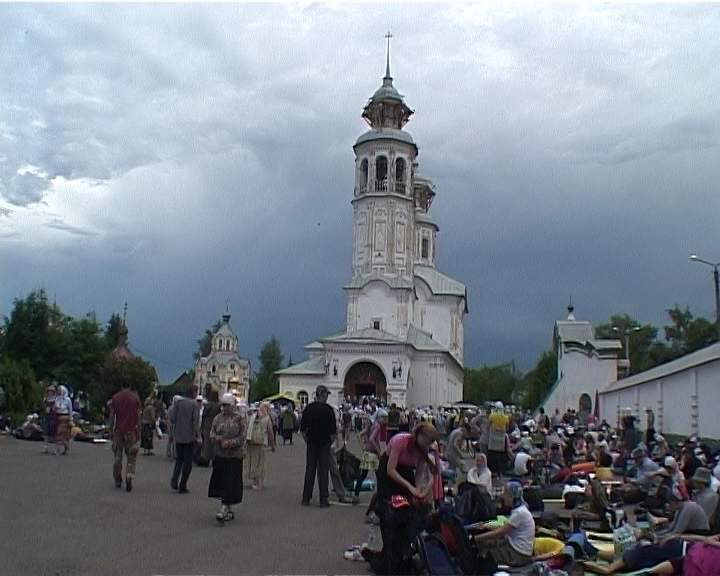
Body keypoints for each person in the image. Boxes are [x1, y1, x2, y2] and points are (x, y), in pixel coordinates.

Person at [362, 422, 440, 575]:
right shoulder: (400, 441)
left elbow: (418, 473)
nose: (428, 445)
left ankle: (396, 552)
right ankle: (389, 555)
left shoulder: (423, 450)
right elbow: (391, 470)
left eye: (431, 442)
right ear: (418, 435)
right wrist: (410, 487)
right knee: (390, 510)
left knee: (406, 511)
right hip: (388, 472)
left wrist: (417, 490)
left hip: (405, 472)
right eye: (427, 440)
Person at [473, 481, 535, 568]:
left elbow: (500, 532)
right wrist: (485, 525)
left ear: (512, 496)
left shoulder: (519, 513)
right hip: (517, 549)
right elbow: (505, 528)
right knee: (488, 542)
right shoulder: (520, 510)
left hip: (518, 555)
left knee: (486, 552)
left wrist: (475, 538)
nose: (503, 496)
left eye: (505, 493)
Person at [208, 393, 246, 523]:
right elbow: (212, 433)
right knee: (223, 483)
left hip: (234, 456)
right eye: (223, 405)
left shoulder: (239, 418)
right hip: (220, 455)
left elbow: (242, 437)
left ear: (232, 406)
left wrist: (230, 443)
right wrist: (219, 440)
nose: (224, 408)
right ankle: (228, 509)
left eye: (227, 405)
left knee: (231, 483)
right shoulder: (217, 418)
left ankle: (223, 509)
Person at [300, 385, 337, 507]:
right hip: (324, 444)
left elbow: (303, 430)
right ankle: (323, 499)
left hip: (311, 443)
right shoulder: (329, 410)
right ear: (323, 394)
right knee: (323, 471)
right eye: (326, 394)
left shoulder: (308, 408)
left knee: (310, 470)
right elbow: (333, 432)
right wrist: (329, 442)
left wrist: (308, 441)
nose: (327, 397)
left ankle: (306, 498)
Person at [109, 382, 141, 492]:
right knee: (132, 455)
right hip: (130, 431)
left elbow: (112, 415)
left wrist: (110, 430)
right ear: (130, 386)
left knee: (117, 456)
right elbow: (138, 416)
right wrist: (139, 432)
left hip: (118, 431)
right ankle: (129, 475)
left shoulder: (115, 398)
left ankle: (118, 478)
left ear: (121, 386)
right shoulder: (135, 398)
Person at [353, 408, 388, 504]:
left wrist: (363, 446)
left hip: (367, 452)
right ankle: (381, 497)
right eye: (384, 418)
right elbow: (372, 439)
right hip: (373, 453)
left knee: (363, 475)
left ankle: (356, 496)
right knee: (379, 476)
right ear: (379, 417)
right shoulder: (378, 426)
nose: (385, 420)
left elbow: (360, 434)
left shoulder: (371, 424)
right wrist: (379, 451)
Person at [170, 385, 200, 494]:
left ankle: (174, 480)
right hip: (189, 437)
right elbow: (195, 422)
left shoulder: (178, 403)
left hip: (178, 435)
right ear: (193, 393)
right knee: (188, 463)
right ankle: (183, 484)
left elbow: (172, 418)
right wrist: (197, 435)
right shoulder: (194, 405)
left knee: (179, 460)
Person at [247, 402, 276, 490]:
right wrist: (273, 445)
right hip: (261, 442)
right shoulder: (267, 418)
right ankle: (258, 482)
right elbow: (270, 432)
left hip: (252, 441)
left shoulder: (253, 417)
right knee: (260, 463)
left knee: (253, 461)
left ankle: (254, 481)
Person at [199, 389, 220, 466]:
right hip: (215, 425)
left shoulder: (208, 405)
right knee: (213, 443)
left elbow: (204, 415)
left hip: (207, 424)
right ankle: (213, 458)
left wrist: (202, 426)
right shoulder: (218, 405)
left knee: (206, 443)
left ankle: (205, 458)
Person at [54, 385, 73, 455]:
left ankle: (60, 448)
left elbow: (70, 410)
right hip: (57, 416)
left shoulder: (67, 400)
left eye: (60, 390)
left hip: (65, 417)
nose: (58, 392)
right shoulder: (57, 399)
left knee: (61, 433)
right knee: (58, 433)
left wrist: (71, 419)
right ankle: (64, 447)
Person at [42, 384, 58, 455]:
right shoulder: (45, 399)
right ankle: (45, 447)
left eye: (52, 391)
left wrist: (54, 408)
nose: (50, 392)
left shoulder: (56, 399)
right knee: (46, 432)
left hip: (53, 416)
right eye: (49, 391)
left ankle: (55, 448)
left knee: (54, 432)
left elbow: (57, 407)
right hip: (47, 416)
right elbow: (43, 406)